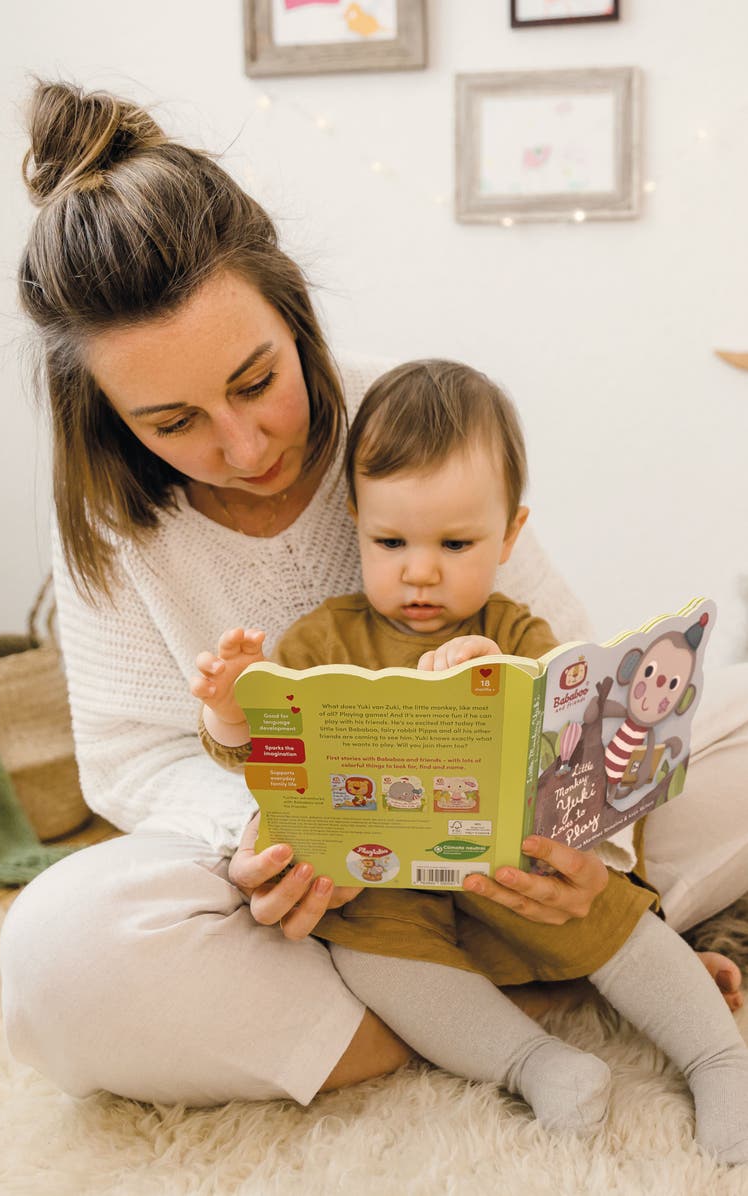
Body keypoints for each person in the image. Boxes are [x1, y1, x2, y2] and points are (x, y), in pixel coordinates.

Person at [0, 80, 748, 1117]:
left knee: (727, 718)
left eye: (257, 381)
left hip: (502, 856)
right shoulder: (112, 519)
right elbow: (131, 757)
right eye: (173, 420)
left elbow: (574, 682)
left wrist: (590, 851)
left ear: (291, 306)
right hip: (320, 900)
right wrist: (269, 830)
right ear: (110, 416)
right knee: (58, 953)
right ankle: (488, 1009)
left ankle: (538, 957)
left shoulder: (412, 419)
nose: (243, 445)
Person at [193, 360, 748, 1162]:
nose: (421, 570)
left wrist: (501, 676)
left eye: (456, 543)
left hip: (508, 865)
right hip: (380, 879)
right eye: (391, 541)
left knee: (606, 904)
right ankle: (535, 1064)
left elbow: (571, 736)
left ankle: (718, 1058)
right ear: (354, 521)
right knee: (368, 956)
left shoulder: (518, 630)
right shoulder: (321, 641)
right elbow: (265, 753)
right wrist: (231, 705)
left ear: (509, 536)